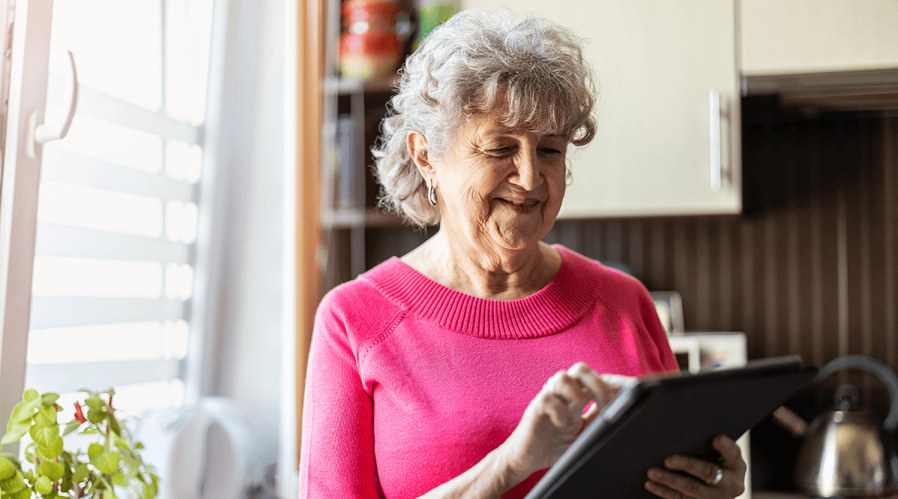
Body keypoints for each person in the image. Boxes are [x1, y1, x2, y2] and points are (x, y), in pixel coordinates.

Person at [299, 8, 747, 499]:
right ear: (426, 156)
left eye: (550, 150)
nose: (531, 178)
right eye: (499, 148)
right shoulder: (355, 321)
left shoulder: (625, 303)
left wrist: (710, 490)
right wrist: (508, 466)